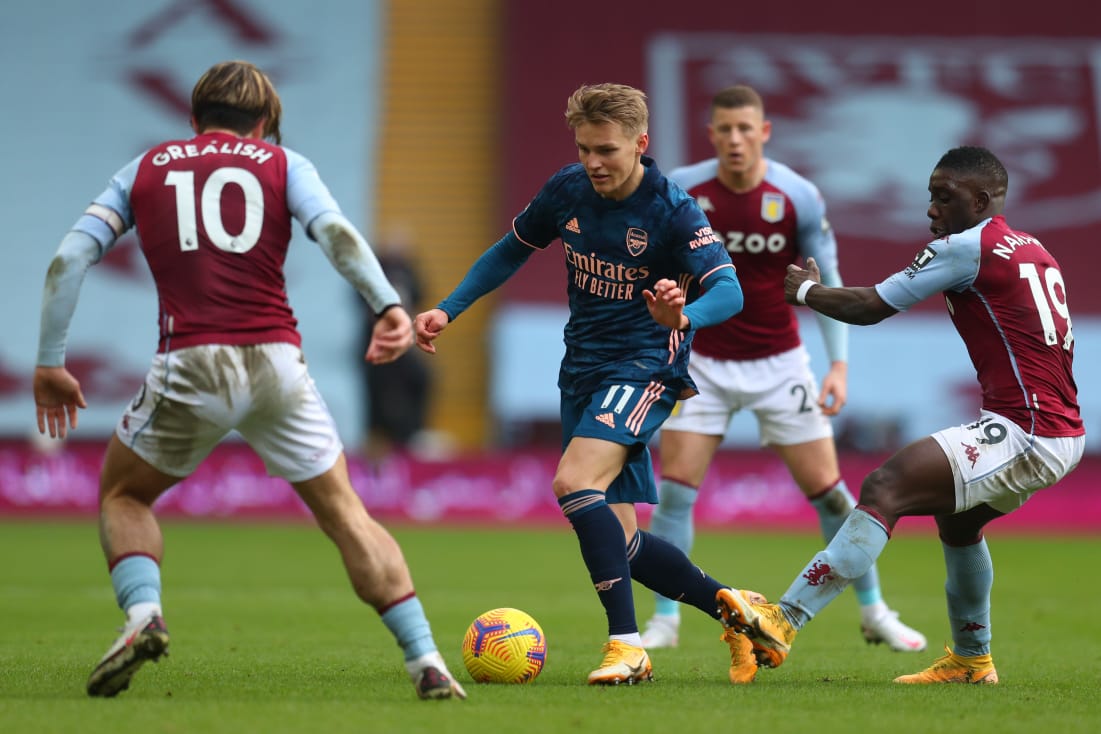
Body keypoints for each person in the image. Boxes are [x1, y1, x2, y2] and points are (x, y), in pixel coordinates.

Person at [33, 60, 466, 701]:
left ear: (192, 118)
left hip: (191, 362)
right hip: (275, 361)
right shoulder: (283, 164)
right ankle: (426, 660)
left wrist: (49, 362)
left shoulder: (146, 168)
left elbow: (71, 255)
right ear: (264, 123)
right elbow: (337, 234)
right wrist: (389, 306)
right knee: (348, 515)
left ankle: (144, 615)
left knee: (124, 496)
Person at [415, 83, 764, 686]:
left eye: (606, 150)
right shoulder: (567, 188)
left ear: (641, 143)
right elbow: (509, 249)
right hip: (582, 368)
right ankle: (738, 611)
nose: (594, 162)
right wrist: (449, 308)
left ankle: (627, 646)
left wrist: (681, 317)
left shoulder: (673, 210)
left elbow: (730, 291)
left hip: (647, 366)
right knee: (621, 540)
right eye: (584, 149)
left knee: (574, 484)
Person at [718, 145, 1084, 684]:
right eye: (929, 197)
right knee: (960, 525)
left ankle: (782, 620)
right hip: (1053, 429)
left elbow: (871, 306)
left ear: (981, 199)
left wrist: (807, 291)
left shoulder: (966, 247)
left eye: (945, 197)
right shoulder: (1031, 246)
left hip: (1026, 429)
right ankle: (971, 659)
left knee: (885, 486)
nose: (932, 210)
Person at [641, 85, 926, 668]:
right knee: (674, 492)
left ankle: (875, 613)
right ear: (713, 134)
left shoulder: (797, 195)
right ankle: (664, 620)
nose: (736, 140)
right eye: (725, 130)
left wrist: (839, 364)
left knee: (832, 496)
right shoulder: (684, 190)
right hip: (703, 363)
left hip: (780, 364)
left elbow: (830, 275)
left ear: (764, 132)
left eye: (746, 129)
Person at [358, 226, 433, 465]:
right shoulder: (373, 272)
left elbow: (421, 294)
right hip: (377, 346)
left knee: (419, 380)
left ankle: (411, 437)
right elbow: (361, 301)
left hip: (403, 345)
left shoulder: (409, 271)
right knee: (378, 402)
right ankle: (376, 453)